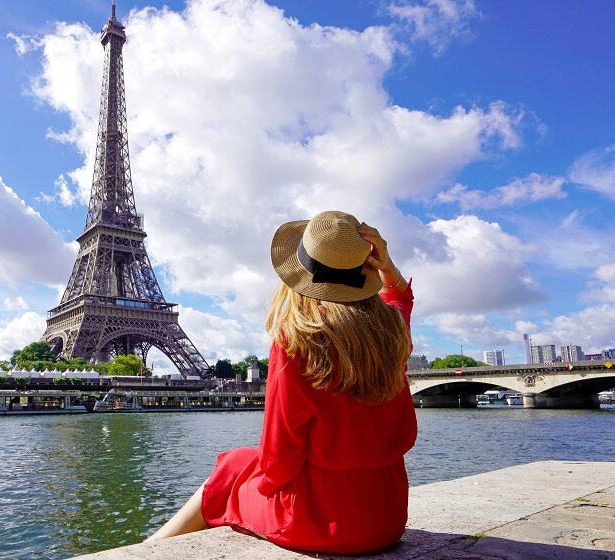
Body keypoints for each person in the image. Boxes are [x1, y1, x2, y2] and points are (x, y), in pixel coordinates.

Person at [145, 210, 416, 554]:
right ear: (367, 268)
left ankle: (148, 549)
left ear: (300, 274)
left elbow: (278, 460)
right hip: (387, 518)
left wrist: (253, 479)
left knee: (228, 470)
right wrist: (389, 268)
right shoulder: (392, 333)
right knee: (238, 463)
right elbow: (399, 302)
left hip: (316, 523)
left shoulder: (297, 342)